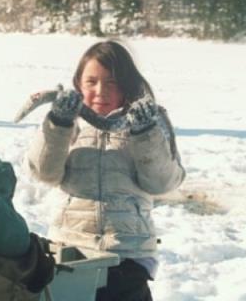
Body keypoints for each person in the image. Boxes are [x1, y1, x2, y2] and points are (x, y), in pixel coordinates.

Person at [26, 40, 185, 301]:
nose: (101, 91)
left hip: (127, 257)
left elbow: (162, 183)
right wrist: (58, 124)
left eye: (112, 82)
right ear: (78, 83)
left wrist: (145, 133)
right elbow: (44, 173)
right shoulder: (68, 121)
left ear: (127, 85)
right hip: (72, 253)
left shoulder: (151, 122)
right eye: (92, 82)